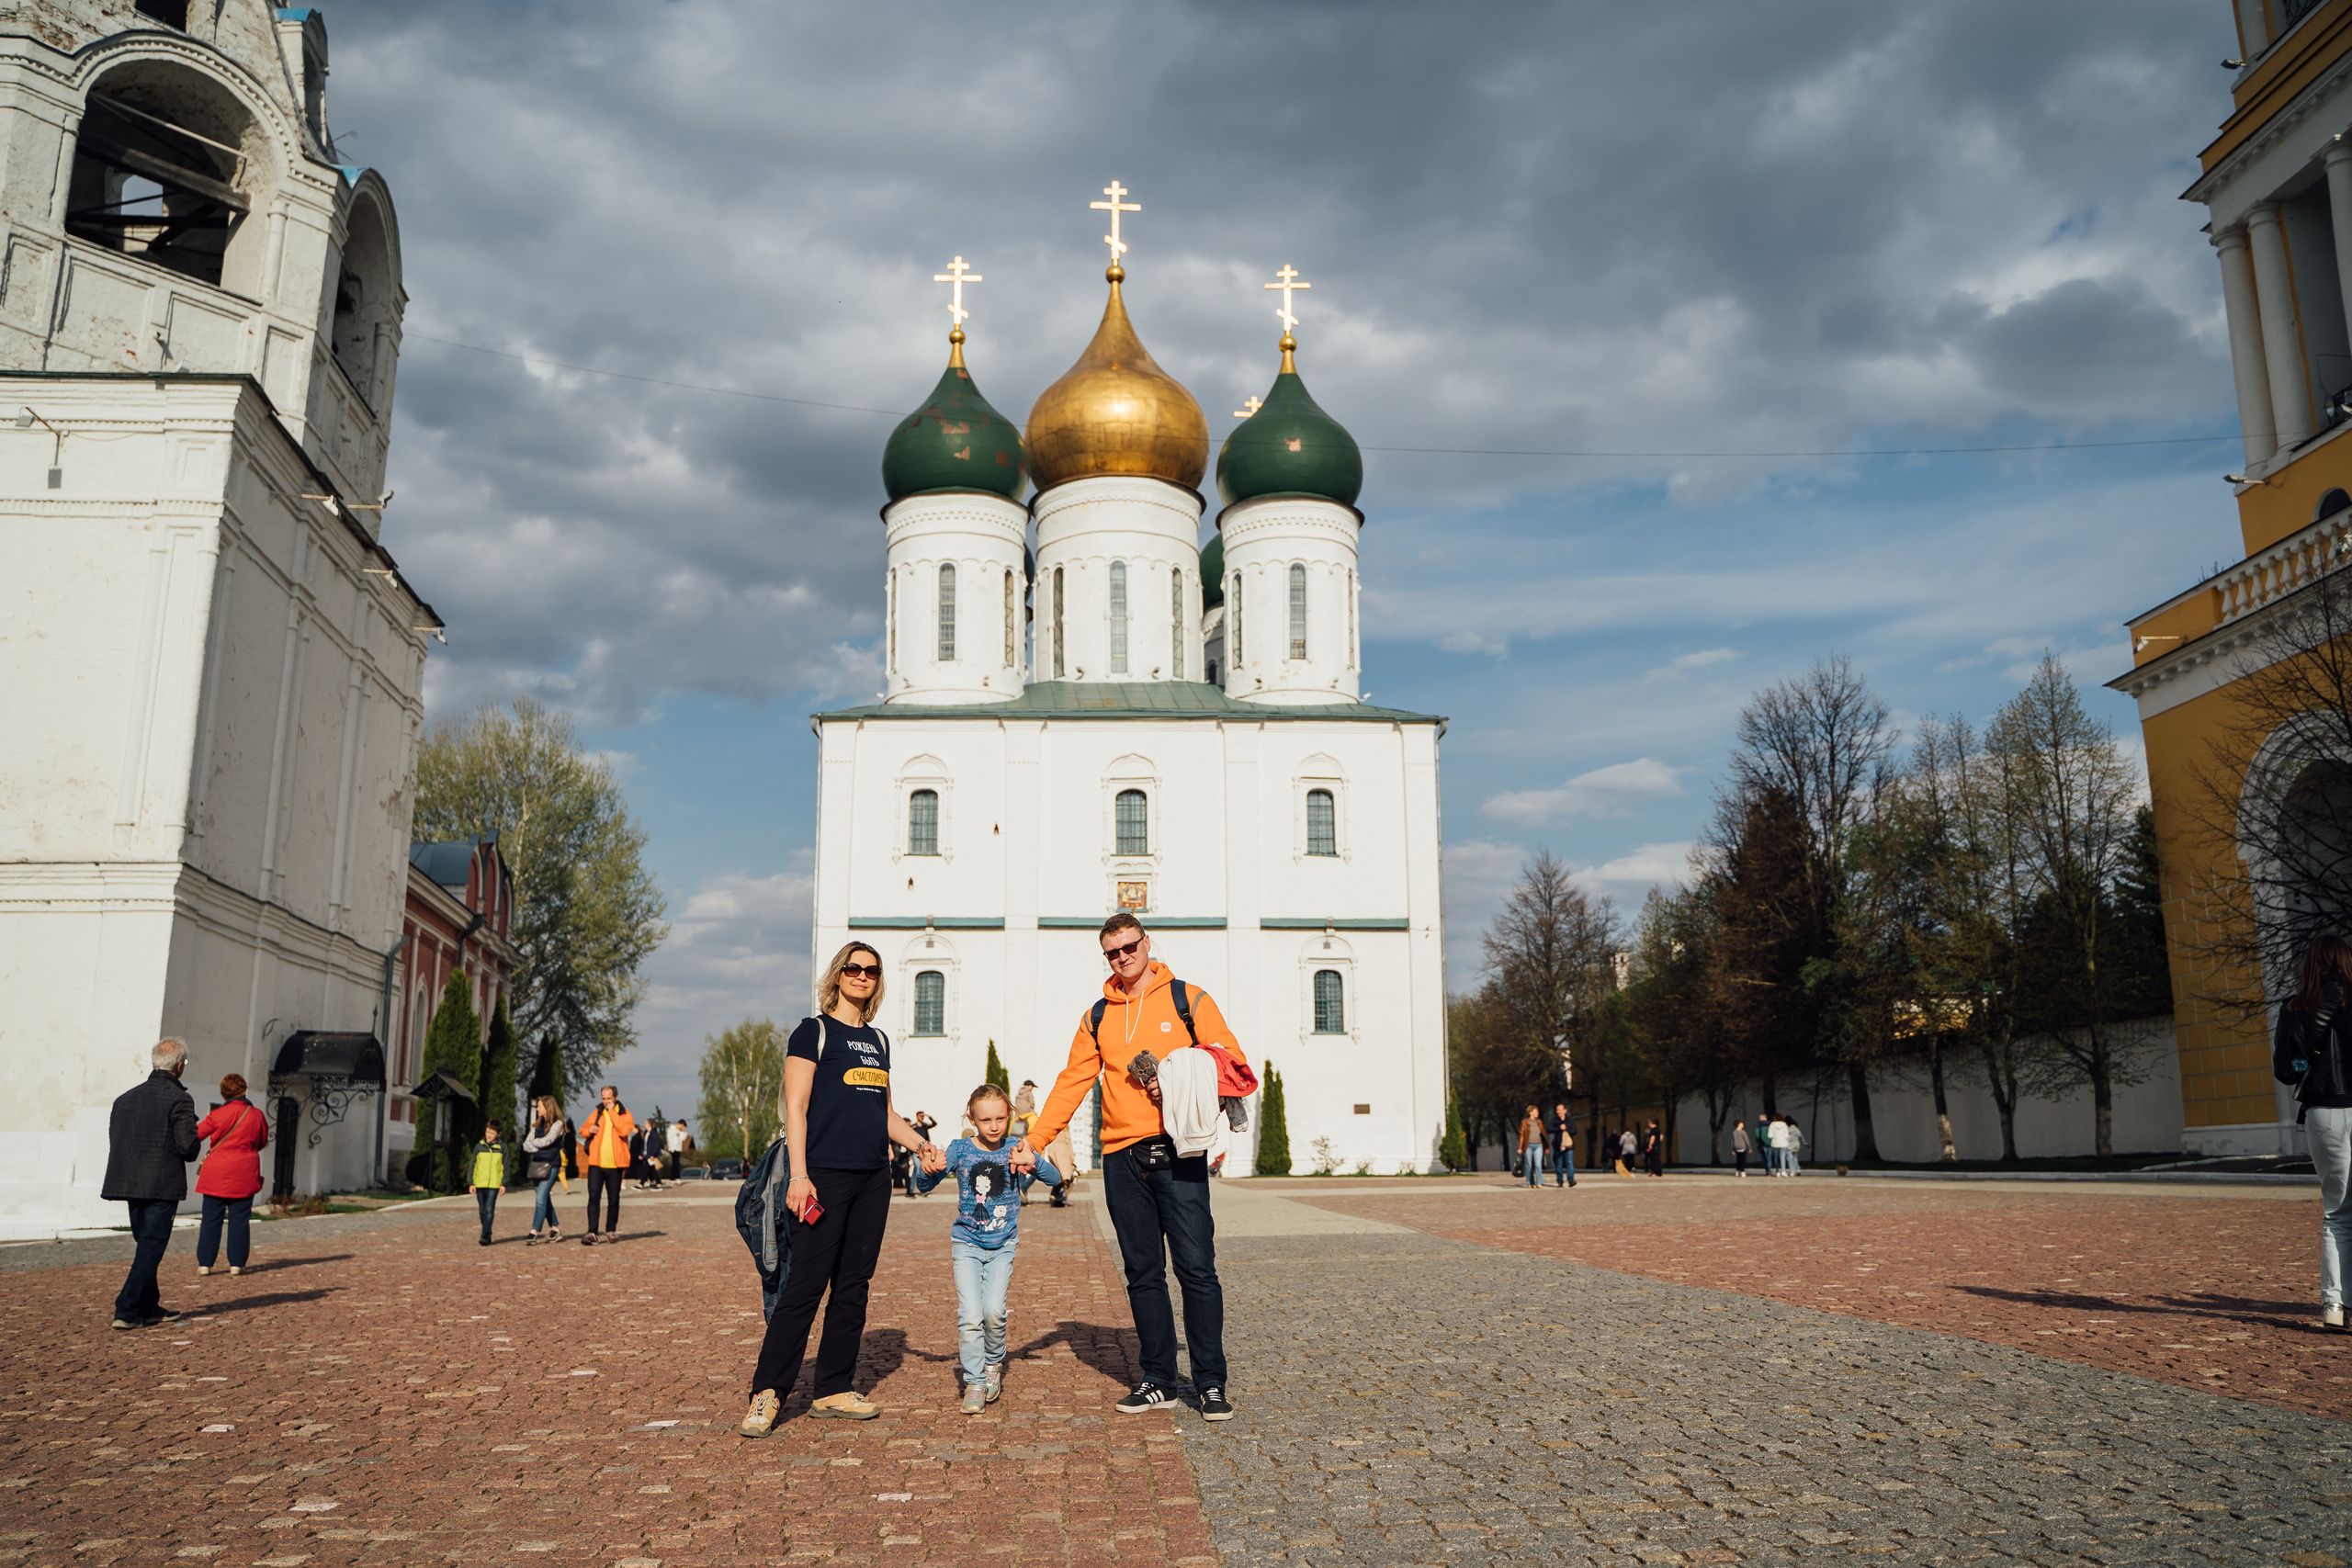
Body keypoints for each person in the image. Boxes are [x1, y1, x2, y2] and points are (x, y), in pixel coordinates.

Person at [1010, 914, 1250, 1422]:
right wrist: (1034, 1141)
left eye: (1129, 946)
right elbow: (1072, 1081)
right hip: (1121, 1158)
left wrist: (1180, 1078)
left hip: (1178, 1151)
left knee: (1196, 1270)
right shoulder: (1097, 1015)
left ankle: (1210, 1383)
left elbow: (1230, 1059)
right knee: (1142, 1274)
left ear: (1146, 942)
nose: (1123, 957)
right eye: (1113, 952)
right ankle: (1158, 1378)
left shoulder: (1189, 998)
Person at [740, 942, 944, 1438]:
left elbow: (884, 1113)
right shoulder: (812, 1033)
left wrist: (921, 1146)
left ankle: (832, 1388)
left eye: (871, 971)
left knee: (853, 1287)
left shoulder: (878, 1041)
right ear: (837, 976)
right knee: (805, 1287)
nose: (862, 976)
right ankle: (767, 1392)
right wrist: (800, 1175)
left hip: (873, 1178)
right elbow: (796, 1108)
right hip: (822, 1177)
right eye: (853, 968)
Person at [913, 1083, 1063, 1412]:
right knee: (970, 1316)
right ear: (972, 1119)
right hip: (966, 1243)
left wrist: (1034, 1161)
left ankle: (993, 1365)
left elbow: (1055, 1179)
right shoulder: (960, 1150)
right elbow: (923, 1186)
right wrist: (924, 1168)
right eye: (985, 1121)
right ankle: (975, 1382)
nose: (993, 1127)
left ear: (1009, 1115)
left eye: (999, 1118)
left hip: (1002, 1245)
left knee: (994, 1313)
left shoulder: (1016, 1146)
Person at [2274, 933, 2352, 1330]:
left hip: (2324, 1114)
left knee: (2337, 1213)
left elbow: (2286, 1071)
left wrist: (2310, 1064)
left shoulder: (2294, 1007)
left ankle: (2334, 1306)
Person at [102, 1038, 199, 1329]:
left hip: (131, 1182)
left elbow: (116, 1140)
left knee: (146, 1246)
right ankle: (126, 1309)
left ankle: (148, 1306)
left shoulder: (125, 1098)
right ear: (180, 1066)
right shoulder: (180, 1099)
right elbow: (188, 1148)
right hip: (161, 1184)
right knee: (151, 1248)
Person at [194, 1071, 267, 1278]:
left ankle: (205, 1264)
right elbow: (261, 1141)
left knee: (210, 1219)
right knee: (240, 1219)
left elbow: (197, 1135)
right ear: (243, 1090)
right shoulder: (256, 1114)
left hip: (216, 1172)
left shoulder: (216, 1115)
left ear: (223, 1093)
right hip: (244, 1171)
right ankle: (236, 1264)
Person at [578, 1086, 634, 1244]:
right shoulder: (597, 1112)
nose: (606, 1101)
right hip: (596, 1163)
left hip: (615, 1164)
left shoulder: (624, 1114)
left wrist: (612, 1113)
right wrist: (590, 1130)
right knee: (593, 1198)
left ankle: (611, 1230)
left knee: (613, 1199)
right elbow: (582, 1129)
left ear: (616, 1097)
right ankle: (592, 1232)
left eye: (609, 1098)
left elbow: (624, 1130)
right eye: (603, 1098)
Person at [523, 1096, 566, 1244]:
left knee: (540, 1198)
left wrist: (535, 1144)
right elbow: (525, 1145)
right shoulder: (537, 1125)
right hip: (537, 1165)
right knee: (544, 1199)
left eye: (540, 1106)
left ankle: (534, 1231)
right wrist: (538, 1144)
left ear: (548, 1107)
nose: (537, 1109)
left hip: (551, 1165)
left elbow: (549, 1140)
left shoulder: (558, 1124)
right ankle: (555, 1228)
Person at [470, 1122, 507, 1246]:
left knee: (489, 1209)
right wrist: (471, 1182)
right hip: (480, 1182)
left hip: (494, 1183)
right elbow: (473, 1165)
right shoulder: (479, 1147)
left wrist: (503, 1183)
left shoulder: (502, 1148)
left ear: (498, 1134)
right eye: (487, 1132)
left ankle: (484, 1235)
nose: (489, 1135)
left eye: (492, 1133)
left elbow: (505, 1166)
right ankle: (488, 1230)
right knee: (482, 1210)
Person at [1517, 1104, 1544, 1188]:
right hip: (1528, 1145)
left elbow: (1543, 1134)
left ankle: (1539, 1182)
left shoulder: (1539, 1122)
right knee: (1528, 1165)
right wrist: (1520, 1147)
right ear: (1530, 1113)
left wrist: (1546, 1147)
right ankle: (1529, 1182)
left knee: (1538, 1164)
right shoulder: (1524, 1122)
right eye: (1536, 1111)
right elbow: (1521, 1135)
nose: (1538, 1113)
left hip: (1538, 1145)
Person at [1551, 1101, 1577, 1188]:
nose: (1558, 1112)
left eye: (1560, 1110)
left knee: (1569, 1163)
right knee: (1559, 1164)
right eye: (1557, 1110)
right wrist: (1559, 1128)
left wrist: (1567, 1130)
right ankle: (1560, 1181)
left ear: (1565, 1111)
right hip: (1558, 1145)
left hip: (1568, 1145)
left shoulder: (1570, 1120)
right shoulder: (1554, 1120)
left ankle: (1571, 1180)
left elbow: (1575, 1130)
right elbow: (1549, 1129)